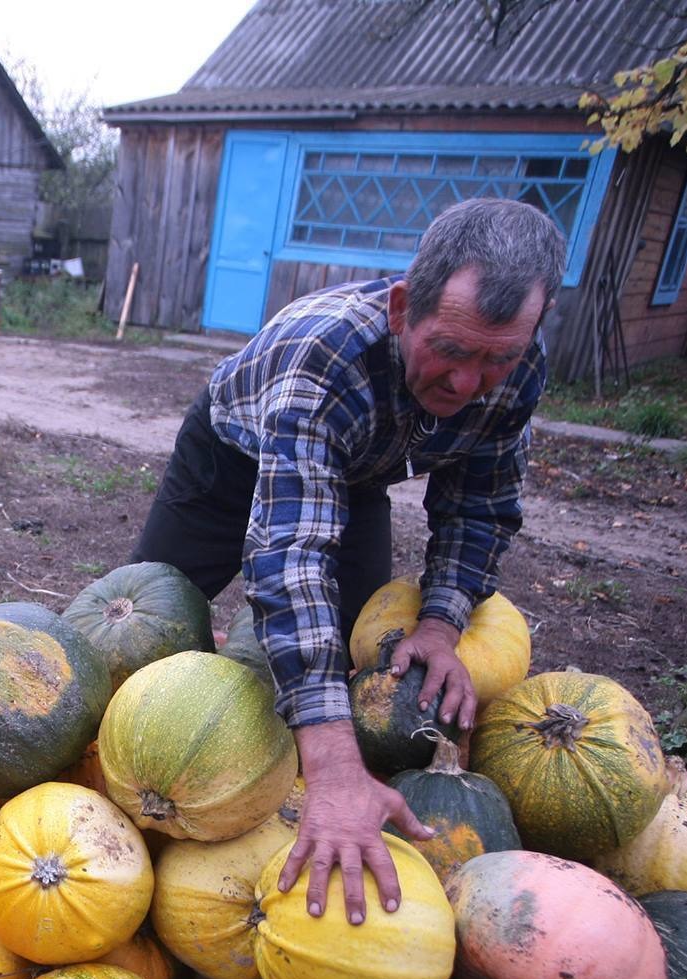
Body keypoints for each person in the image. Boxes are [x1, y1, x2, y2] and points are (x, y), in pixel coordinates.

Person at [131, 197, 566, 924]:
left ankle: (294, 785)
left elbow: (480, 504)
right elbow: (290, 555)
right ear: (401, 309)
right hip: (233, 451)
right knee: (146, 622)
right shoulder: (326, 351)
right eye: (451, 351)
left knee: (362, 665)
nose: (469, 383)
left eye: (498, 358)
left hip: (359, 468)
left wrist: (439, 621)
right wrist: (335, 770)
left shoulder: (515, 373)